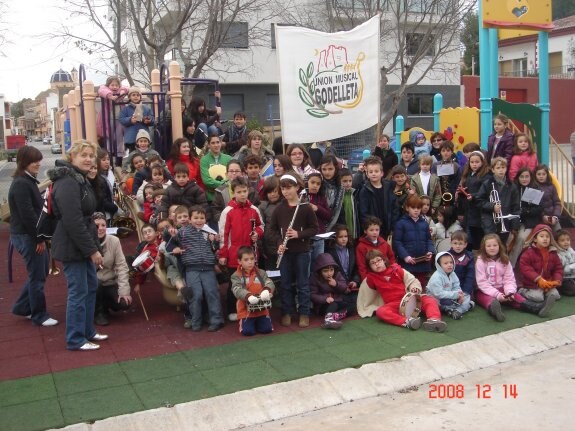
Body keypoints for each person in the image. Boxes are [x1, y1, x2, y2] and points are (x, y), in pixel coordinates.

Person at [48, 140, 107, 351]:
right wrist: (92, 250)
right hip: (72, 245)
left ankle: (87, 331)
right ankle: (75, 338)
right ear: (71, 157)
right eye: (84, 155)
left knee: (90, 287)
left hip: (82, 242)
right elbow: (72, 221)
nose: (89, 159)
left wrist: (93, 247)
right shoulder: (67, 181)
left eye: (91, 155)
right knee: (78, 291)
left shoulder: (79, 179)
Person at [9, 146, 58, 327]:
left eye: (38, 159)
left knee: (38, 273)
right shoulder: (22, 184)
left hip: (28, 234)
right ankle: (39, 315)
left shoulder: (27, 181)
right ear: (24, 162)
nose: (38, 163)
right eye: (33, 161)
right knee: (37, 276)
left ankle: (23, 306)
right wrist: (39, 238)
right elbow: (27, 215)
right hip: (27, 236)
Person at [269, 173, 319, 327]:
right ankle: (286, 312)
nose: (286, 192)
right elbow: (272, 231)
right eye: (283, 188)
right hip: (285, 252)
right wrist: (279, 242)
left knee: (303, 283)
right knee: (285, 283)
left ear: (297, 187)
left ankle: (304, 313)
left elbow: (314, 229)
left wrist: (299, 234)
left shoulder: (305, 208)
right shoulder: (279, 209)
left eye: (289, 188)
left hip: (302, 251)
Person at [169, 205, 224, 331]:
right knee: (196, 295)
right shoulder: (182, 232)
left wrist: (214, 241)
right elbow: (171, 243)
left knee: (212, 293)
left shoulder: (209, 232)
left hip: (208, 268)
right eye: (196, 218)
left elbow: (215, 250)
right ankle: (195, 321)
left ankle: (216, 320)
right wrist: (171, 237)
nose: (199, 220)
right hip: (192, 269)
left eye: (202, 218)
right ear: (190, 219)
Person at [364, 250, 447, 332]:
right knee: (381, 312)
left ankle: (434, 320)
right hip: (394, 305)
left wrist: (415, 288)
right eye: (373, 263)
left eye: (378, 260)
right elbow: (367, 293)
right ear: (370, 266)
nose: (377, 264)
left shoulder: (397, 269)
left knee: (430, 300)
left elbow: (412, 280)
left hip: (410, 298)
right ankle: (407, 322)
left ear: (384, 260)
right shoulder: (371, 278)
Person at [218, 177, 264, 321]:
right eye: (239, 192)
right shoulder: (228, 211)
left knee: (251, 282)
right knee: (235, 283)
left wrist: (258, 233)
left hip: (250, 253)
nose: (243, 194)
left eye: (244, 191)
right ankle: (233, 309)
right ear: (233, 193)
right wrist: (223, 254)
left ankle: (252, 308)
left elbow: (261, 225)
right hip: (234, 254)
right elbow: (223, 234)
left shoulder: (254, 209)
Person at [475, 234, 548, 322]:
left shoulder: (505, 260)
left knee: (516, 297)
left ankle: (537, 308)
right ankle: (496, 312)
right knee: (489, 300)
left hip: (502, 288)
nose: (492, 248)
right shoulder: (480, 261)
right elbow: (482, 283)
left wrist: (509, 292)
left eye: (495, 245)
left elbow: (509, 279)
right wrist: (497, 295)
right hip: (484, 291)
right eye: (489, 246)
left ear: (499, 246)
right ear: (484, 248)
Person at [92, 213, 132, 326]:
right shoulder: (86, 242)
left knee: (124, 303)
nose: (100, 228)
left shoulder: (114, 241)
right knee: (96, 283)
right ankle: (98, 312)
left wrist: (124, 291)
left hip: (110, 281)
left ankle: (106, 304)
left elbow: (122, 266)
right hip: (94, 283)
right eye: (96, 226)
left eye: (103, 225)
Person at [231, 246, 275, 336]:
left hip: (262, 309)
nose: (250, 262)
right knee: (248, 332)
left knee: (267, 329)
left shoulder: (261, 272)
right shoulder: (236, 275)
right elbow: (236, 290)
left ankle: (262, 321)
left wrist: (267, 290)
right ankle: (242, 321)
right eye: (246, 260)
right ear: (239, 261)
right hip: (246, 311)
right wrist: (248, 296)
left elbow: (269, 282)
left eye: (252, 259)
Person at [392, 195, 434, 288]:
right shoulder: (401, 223)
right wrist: (405, 256)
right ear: (407, 208)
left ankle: (420, 302)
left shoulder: (424, 223)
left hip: (422, 262)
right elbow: (397, 242)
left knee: (420, 286)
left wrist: (430, 251)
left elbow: (428, 240)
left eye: (418, 208)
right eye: (413, 207)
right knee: (407, 287)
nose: (416, 210)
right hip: (407, 263)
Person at [518, 224, 561, 311]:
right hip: (531, 284)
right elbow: (525, 268)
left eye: (547, 237)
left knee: (556, 295)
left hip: (547, 282)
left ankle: (545, 293)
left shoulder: (553, 253)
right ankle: (522, 291)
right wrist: (538, 279)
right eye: (541, 236)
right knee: (538, 298)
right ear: (534, 238)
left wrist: (556, 280)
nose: (545, 239)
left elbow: (558, 268)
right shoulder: (528, 252)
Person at [477, 157, 520, 245]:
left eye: (503, 168)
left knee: (503, 246)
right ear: (493, 170)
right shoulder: (487, 184)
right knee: (491, 245)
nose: (501, 170)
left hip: (506, 221)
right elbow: (479, 200)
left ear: (506, 169)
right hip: (490, 222)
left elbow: (516, 207)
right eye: (498, 168)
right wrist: (492, 206)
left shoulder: (512, 186)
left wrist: (514, 226)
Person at [508, 167, 544, 266]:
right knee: (508, 238)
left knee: (521, 238)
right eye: (522, 177)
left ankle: (511, 264)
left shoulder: (535, 189)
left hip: (528, 222)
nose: (524, 179)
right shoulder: (513, 188)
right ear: (518, 178)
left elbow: (540, 208)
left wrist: (526, 211)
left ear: (531, 177)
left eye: (527, 176)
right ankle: (501, 260)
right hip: (514, 219)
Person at [456, 150, 491, 250]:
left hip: (479, 213)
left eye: (477, 162)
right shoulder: (468, 175)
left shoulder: (486, 176)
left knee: (478, 239)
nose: (474, 164)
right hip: (469, 212)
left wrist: (473, 196)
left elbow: (484, 193)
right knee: (469, 239)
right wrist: (461, 193)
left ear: (482, 162)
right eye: (472, 162)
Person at [426, 252, 473, 320]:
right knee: (436, 302)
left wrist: (460, 295)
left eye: (451, 262)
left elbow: (457, 286)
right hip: (438, 298)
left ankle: (457, 311)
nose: (449, 265)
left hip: (451, 297)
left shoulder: (453, 274)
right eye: (446, 263)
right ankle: (453, 309)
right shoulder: (436, 277)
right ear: (439, 265)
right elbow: (438, 294)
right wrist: (456, 295)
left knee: (466, 296)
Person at [358, 156, 396, 238]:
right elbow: (363, 212)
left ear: (382, 173)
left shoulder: (389, 187)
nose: (373, 174)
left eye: (376, 171)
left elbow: (394, 206)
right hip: (373, 229)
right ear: (367, 174)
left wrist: (393, 225)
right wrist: (370, 227)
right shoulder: (364, 190)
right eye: (370, 172)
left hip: (387, 227)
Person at [327, 224, 361, 315]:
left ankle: (339, 314)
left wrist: (355, 281)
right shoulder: (330, 251)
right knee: (343, 302)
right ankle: (336, 314)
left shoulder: (351, 249)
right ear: (335, 238)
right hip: (337, 287)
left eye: (345, 236)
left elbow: (356, 269)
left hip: (350, 286)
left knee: (355, 301)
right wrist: (341, 285)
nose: (344, 239)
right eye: (340, 237)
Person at [310, 253, 349, 329]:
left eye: (331, 270)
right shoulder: (315, 278)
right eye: (325, 271)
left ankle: (335, 316)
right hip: (323, 305)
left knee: (351, 304)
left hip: (337, 300)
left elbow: (345, 288)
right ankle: (328, 319)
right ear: (319, 271)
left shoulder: (337, 275)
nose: (329, 273)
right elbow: (312, 295)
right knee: (333, 305)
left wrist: (336, 284)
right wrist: (325, 299)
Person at [355, 216, 395, 281]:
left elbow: (391, 258)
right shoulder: (361, 247)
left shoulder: (384, 243)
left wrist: (393, 272)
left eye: (377, 230)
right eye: (371, 230)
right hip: (372, 278)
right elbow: (362, 267)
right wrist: (367, 281)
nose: (375, 232)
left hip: (387, 276)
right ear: (365, 231)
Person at [97, 76, 128, 157]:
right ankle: (109, 152)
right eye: (112, 85)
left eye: (116, 85)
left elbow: (125, 88)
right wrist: (110, 96)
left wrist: (121, 93)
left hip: (119, 119)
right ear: (108, 85)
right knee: (108, 136)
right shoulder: (106, 91)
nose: (114, 87)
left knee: (119, 136)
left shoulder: (120, 91)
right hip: (108, 119)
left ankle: (119, 153)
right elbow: (101, 90)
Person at [118, 87, 154, 154]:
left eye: (137, 95)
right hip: (131, 136)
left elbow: (152, 118)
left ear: (140, 97)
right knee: (133, 153)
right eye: (133, 95)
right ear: (129, 97)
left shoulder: (146, 108)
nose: (136, 97)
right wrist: (130, 120)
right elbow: (121, 119)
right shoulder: (126, 109)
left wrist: (149, 120)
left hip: (144, 136)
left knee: (145, 153)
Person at [200, 133, 233, 202]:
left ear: (221, 143)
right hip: (211, 198)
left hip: (227, 197)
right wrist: (225, 184)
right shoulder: (204, 160)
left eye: (218, 142)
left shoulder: (229, 159)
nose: (216, 145)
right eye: (213, 143)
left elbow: (232, 177)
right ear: (208, 145)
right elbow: (207, 181)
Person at [258, 176, 282, 269]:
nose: (273, 194)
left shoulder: (285, 204)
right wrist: (261, 248)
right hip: (268, 247)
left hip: (283, 246)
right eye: (270, 192)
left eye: (275, 191)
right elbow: (261, 226)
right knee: (272, 273)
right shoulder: (263, 207)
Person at [307, 172, 330, 260]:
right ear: (307, 182)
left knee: (318, 263)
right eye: (312, 182)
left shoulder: (321, 198)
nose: (315, 185)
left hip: (319, 236)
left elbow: (328, 216)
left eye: (318, 184)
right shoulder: (301, 196)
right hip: (306, 237)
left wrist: (317, 208)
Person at [133, 224, 160, 294]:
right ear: (143, 237)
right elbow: (142, 267)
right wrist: (138, 283)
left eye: (149, 231)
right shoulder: (146, 250)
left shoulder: (162, 240)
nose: (147, 234)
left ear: (156, 233)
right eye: (145, 233)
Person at [448, 231, 476, 298]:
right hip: (449, 287)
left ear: (465, 245)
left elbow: (470, 276)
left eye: (460, 244)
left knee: (465, 300)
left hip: (463, 286)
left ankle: (469, 304)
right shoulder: (446, 256)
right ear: (451, 244)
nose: (457, 246)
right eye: (455, 243)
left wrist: (466, 292)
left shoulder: (469, 257)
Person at [535, 164, 562, 231]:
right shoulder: (533, 187)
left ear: (547, 175)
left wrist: (555, 217)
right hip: (539, 218)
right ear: (535, 175)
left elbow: (557, 203)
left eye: (543, 174)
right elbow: (533, 206)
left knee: (559, 233)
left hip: (551, 216)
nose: (541, 176)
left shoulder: (552, 187)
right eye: (539, 174)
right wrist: (542, 216)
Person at [337, 168, 359, 239]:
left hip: (353, 232)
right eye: (345, 181)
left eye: (350, 181)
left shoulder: (354, 194)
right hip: (341, 234)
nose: (348, 183)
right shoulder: (337, 196)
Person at [555, 230, 575, 296]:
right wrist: (572, 266)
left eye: (568, 240)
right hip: (564, 279)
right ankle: (560, 289)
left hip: (572, 275)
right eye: (562, 240)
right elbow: (563, 270)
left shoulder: (571, 250)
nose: (566, 242)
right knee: (572, 290)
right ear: (557, 242)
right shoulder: (557, 254)